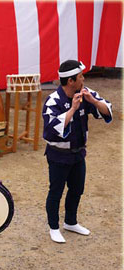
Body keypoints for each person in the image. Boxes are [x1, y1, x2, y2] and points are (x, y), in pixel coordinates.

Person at [42, 60, 112, 243]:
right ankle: (54, 227)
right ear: (71, 81)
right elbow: (51, 130)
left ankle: (71, 222)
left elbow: (107, 110)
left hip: (79, 153)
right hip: (58, 155)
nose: (84, 78)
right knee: (56, 191)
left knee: (77, 189)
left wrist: (93, 101)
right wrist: (73, 109)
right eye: (81, 76)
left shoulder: (85, 93)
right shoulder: (53, 101)